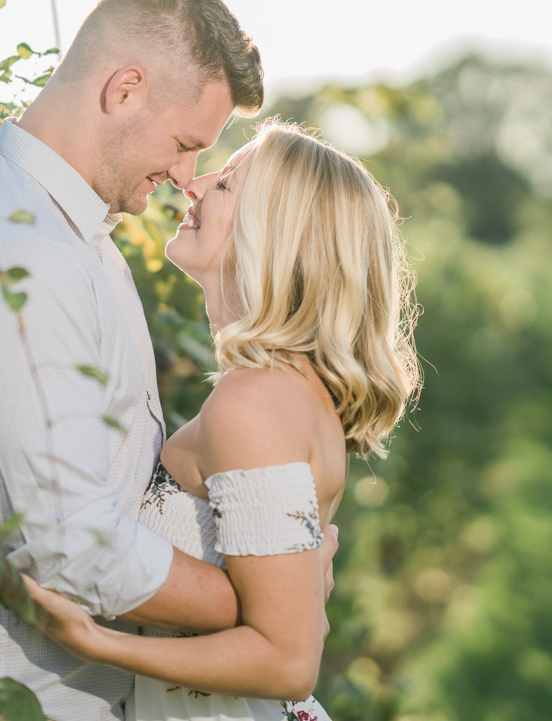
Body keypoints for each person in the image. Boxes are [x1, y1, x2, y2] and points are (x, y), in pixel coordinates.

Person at [0, 0, 331, 721]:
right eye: (186, 143)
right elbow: (66, 542)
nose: (186, 177)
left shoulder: (73, 236)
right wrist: (259, 602)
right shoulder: (20, 258)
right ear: (124, 90)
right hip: (1, 699)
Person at [24, 118, 420, 720]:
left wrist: (95, 640)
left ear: (277, 235)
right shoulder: (286, 390)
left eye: (229, 183)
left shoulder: (256, 400)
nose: (197, 183)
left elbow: (288, 660)